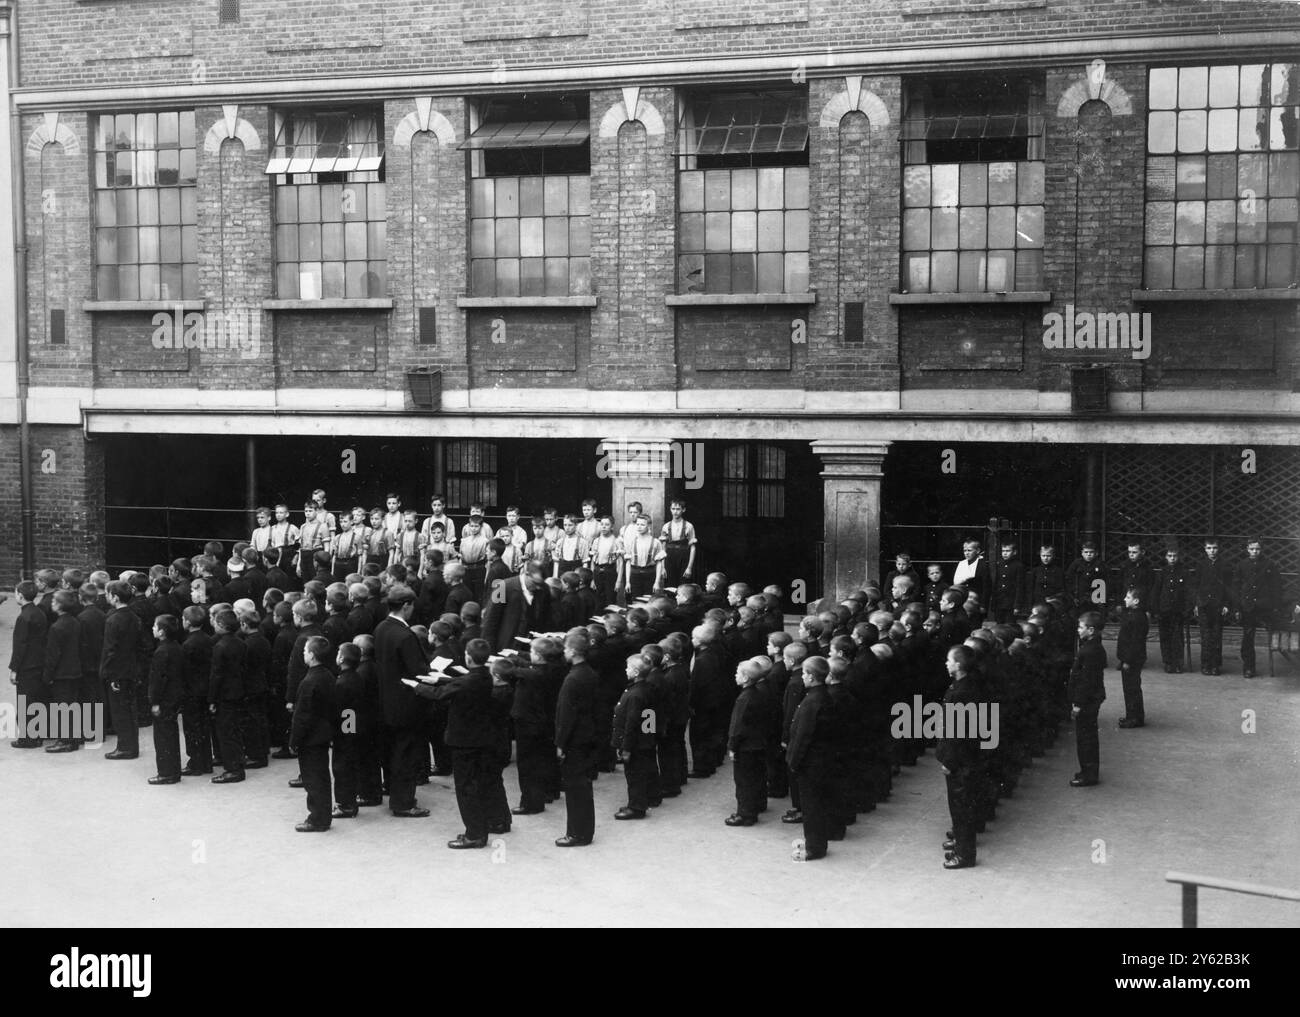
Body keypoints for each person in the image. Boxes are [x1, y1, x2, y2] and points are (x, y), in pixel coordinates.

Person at [418, 638, 497, 848]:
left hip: (464, 740)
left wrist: (416, 686)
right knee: (476, 784)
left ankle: (474, 834)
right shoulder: (484, 677)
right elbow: (459, 683)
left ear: (468, 657)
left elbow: (440, 695)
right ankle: (480, 827)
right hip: (480, 737)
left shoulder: (468, 682)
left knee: (465, 787)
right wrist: (443, 679)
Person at [373, 585, 431, 818]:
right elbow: (417, 670)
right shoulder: (406, 635)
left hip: (386, 700)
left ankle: (394, 792)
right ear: (406, 606)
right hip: (406, 703)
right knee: (406, 755)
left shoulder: (381, 628)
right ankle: (404, 802)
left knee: (393, 750)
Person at [785, 655, 835, 861]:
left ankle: (814, 846)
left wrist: (793, 762)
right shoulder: (824, 695)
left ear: (812, 676)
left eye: (805, 673)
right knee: (818, 803)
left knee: (811, 805)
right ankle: (818, 842)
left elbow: (803, 735)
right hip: (822, 759)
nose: (803, 677)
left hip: (811, 762)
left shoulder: (811, 701)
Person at [937, 645, 981, 870]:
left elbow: (956, 732)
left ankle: (965, 854)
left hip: (960, 758)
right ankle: (960, 845)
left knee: (961, 805)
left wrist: (949, 760)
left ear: (959, 665)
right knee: (960, 805)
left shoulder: (960, 693)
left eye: (949, 660)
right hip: (968, 755)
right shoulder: (967, 686)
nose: (946, 663)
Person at [554, 628, 599, 847]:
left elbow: (565, 715)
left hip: (575, 740)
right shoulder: (590, 673)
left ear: (572, 651)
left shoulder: (572, 679)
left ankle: (577, 833)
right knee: (583, 786)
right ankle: (584, 831)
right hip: (588, 735)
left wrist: (560, 743)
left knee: (575, 789)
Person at [291, 636, 336, 832]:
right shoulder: (327, 675)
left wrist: (294, 740)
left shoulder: (309, 682)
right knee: (321, 776)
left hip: (310, 738)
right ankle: (322, 816)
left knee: (313, 779)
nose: (303, 653)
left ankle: (317, 818)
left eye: (305, 651)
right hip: (323, 734)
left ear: (312, 655)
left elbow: (302, 716)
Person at [726, 656, 773, 827]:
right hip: (758, 743)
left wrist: (732, 746)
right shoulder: (758, 693)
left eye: (738, 673)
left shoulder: (744, 698)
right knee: (756, 776)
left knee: (744, 781)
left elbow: (737, 726)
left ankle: (745, 814)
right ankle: (757, 804)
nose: (735, 675)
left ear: (746, 678)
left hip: (745, 747)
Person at [612, 652, 659, 820]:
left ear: (636, 672)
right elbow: (650, 715)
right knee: (640, 772)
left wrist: (626, 747)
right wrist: (650, 737)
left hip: (635, 743)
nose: (625, 670)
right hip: (645, 740)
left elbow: (631, 724)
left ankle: (636, 807)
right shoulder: (647, 689)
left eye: (628, 667)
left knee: (634, 775)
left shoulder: (635, 695)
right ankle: (641, 800)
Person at [102, 580, 141, 760]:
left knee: (119, 711)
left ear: (115, 597)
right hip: (131, 668)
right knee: (130, 709)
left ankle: (125, 747)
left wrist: (108, 674)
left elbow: (110, 650)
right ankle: (132, 745)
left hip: (117, 672)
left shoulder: (112, 620)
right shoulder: (134, 616)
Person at [1233, 537, 1281, 680]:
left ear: (1261, 549)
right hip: (1248, 607)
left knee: (1274, 633)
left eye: (1258, 549)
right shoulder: (1241, 565)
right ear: (1247, 549)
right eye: (1252, 549)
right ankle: (1249, 667)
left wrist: (1275, 606)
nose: (1255, 551)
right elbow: (1236, 587)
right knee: (1248, 637)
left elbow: (1276, 586)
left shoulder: (1269, 564)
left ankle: (1275, 664)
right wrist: (1238, 606)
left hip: (1265, 606)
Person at [208, 610, 248, 784]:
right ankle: (237, 763)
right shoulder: (240, 642)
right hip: (238, 691)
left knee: (225, 732)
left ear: (222, 626)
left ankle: (233, 769)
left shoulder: (219, 646)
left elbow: (216, 675)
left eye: (216, 623)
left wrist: (211, 699)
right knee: (235, 731)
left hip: (224, 694)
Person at [1069, 611, 1107, 787]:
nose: (1078, 630)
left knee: (1086, 739)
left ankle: (1088, 774)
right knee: (1087, 737)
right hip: (1092, 699)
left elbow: (1086, 682)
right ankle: (1087, 771)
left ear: (1091, 630)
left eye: (1080, 627)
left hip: (1087, 701)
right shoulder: (1093, 647)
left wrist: (1078, 704)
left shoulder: (1089, 651)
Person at [42, 590, 82, 753]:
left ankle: (66, 741)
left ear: (59, 605)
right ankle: (72, 737)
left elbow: (53, 655)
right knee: (71, 704)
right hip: (75, 670)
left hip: (61, 673)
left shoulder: (56, 627)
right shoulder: (75, 622)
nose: (51, 604)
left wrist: (47, 676)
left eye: (53, 602)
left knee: (62, 707)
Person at [147, 614, 185, 783]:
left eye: (155, 627)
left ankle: (166, 773)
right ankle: (174, 770)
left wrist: (154, 702)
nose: (153, 629)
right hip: (174, 697)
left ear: (162, 632)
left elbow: (157, 681)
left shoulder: (161, 652)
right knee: (171, 734)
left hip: (163, 700)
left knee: (162, 737)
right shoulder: (176, 647)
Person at [481, 563, 551, 653]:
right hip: (505, 647)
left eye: (541, 584)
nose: (538, 587)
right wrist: (490, 651)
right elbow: (490, 621)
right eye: (535, 583)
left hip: (531, 650)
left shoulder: (544, 590)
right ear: (526, 573)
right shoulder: (502, 587)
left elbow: (545, 620)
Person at [179, 605, 214, 775]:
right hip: (205, 689)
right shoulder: (209, 639)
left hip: (191, 692)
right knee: (203, 727)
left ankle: (196, 762)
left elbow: (184, 671)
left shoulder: (187, 644)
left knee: (192, 728)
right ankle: (206, 761)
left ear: (187, 622)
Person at [331, 642, 365, 819]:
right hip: (351, 728)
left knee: (342, 767)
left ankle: (346, 805)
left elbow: (345, 711)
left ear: (342, 658)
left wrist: (344, 733)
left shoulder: (342, 682)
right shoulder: (355, 677)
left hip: (346, 731)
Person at [1193, 538, 1231, 676]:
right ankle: (1205, 664)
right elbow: (1196, 585)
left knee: (1216, 636)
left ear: (1218, 548)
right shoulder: (1201, 564)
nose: (1212, 551)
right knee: (1205, 636)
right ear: (1205, 549)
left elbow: (1228, 587)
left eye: (1214, 548)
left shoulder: (1224, 565)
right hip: (1203, 604)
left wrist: (1226, 604)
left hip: (1218, 606)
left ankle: (1215, 665)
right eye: (1209, 548)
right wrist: (1196, 604)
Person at [1150, 545, 1190, 674]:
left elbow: (1188, 592)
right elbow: (1156, 592)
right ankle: (1167, 662)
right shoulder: (1162, 572)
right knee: (1165, 636)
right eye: (1170, 556)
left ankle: (1178, 663)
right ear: (1166, 557)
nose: (1172, 559)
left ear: (1178, 557)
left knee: (1177, 637)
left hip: (1178, 609)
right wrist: (1155, 609)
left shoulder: (1184, 572)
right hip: (1164, 609)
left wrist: (1187, 608)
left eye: (1175, 556)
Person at [1116, 589, 1149, 729]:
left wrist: (1127, 660)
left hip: (1132, 659)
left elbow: (1136, 642)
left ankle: (1134, 718)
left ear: (1136, 601)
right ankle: (1132, 716)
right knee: (1130, 687)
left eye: (1128, 597)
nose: (1125, 599)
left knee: (1131, 688)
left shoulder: (1137, 617)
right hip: (1131, 657)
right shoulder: (1135, 614)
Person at [660, 498, 698, 588]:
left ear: (683, 510)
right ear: (670, 509)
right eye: (673, 509)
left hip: (684, 558)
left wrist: (689, 567)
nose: (675, 512)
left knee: (683, 586)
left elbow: (693, 548)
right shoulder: (666, 526)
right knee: (669, 587)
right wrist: (662, 567)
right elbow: (662, 548)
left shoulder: (689, 526)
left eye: (678, 509)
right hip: (669, 558)